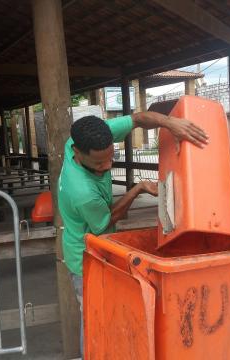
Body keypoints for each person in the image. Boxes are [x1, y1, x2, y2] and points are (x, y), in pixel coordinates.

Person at [57, 111, 208, 354]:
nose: (107, 166)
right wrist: (137, 189)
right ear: (77, 152)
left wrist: (170, 123)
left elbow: (137, 119)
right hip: (85, 255)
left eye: (110, 157)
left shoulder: (89, 137)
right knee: (95, 318)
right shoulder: (82, 192)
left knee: (112, 312)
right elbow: (106, 222)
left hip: (101, 244)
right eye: (99, 164)